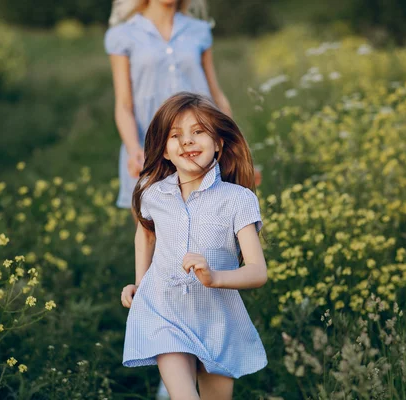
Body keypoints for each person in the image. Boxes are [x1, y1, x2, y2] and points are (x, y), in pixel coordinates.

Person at [120, 92, 268, 399]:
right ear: (163, 151)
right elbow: (145, 235)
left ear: (218, 143)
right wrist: (141, 283)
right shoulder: (152, 194)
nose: (187, 141)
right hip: (165, 310)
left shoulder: (238, 199)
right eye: (176, 135)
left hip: (218, 319)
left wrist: (215, 277)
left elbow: (257, 271)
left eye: (198, 131)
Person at [105, 0, 232, 212]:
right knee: (150, 237)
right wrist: (133, 148)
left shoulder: (199, 31)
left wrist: (231, 143)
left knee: (208, 232)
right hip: (150, 150)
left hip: (199, 146)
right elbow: (124, 105)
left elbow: (216, 95)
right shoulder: (122, 36)